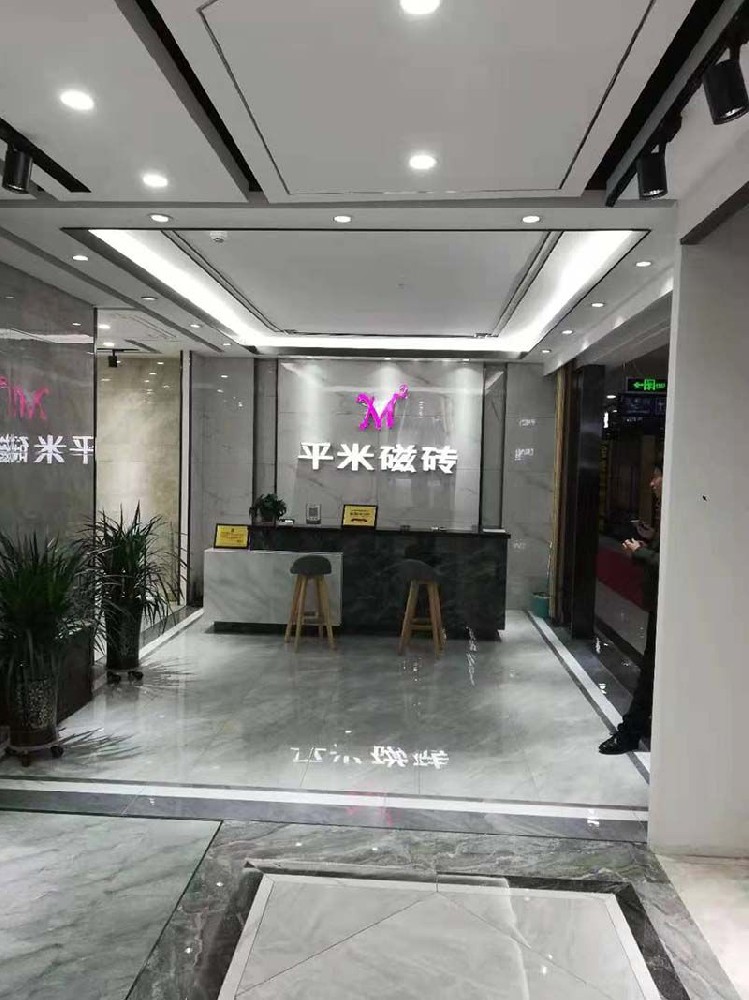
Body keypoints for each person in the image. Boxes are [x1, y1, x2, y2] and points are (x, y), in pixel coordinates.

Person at [599, 465, 662, 755]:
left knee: (650, 672)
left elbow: (673, 562)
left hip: (669, 608)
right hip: (662, 605)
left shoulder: (684, 512)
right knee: (653, 670)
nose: (652, 483)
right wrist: (651, 540)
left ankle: (630, 732)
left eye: (657, 475)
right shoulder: (673, 511)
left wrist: (640, 553)